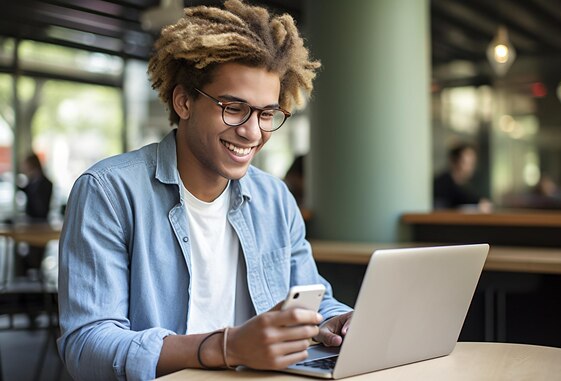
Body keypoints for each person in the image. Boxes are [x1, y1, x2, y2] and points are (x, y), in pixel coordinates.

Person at [56, 2, 353, 380]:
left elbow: (314, 300)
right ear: (184, 102)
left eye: (265, 113)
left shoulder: (274, 199)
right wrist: (225, 347)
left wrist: (339, 320)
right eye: (233, 108)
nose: (252, 131)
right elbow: (87, 345)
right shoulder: (109, 192)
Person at [433, 143, 491, 213]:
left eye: (472, 163)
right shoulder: (441, 184)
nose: (470, 168)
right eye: (466, 163)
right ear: (454, 162)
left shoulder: (465, 187)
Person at [18, 153, 53, 221]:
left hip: (40, 223)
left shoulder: (45, 183)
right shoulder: (31, 181)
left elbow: (41, 207)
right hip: (31, 221)